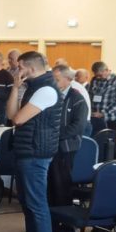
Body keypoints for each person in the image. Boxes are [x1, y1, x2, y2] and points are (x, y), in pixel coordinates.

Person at [4, 51, 62, 232]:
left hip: (36, 152)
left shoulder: (46, 89)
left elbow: (18, 119)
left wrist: (18, 92)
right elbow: (10, 115)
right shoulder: (33, 87)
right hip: (26, 150)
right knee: (27, 202)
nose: (16, 71)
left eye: (19, 67)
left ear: (30, 68)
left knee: (37, 204)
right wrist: (15, 88)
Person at [48, 65, 89, 209]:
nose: (53, 82)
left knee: (61, 185)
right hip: (50, 145)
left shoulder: (77, 98)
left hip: (66, 148)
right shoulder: (51, 95)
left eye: (57, 79)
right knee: (50, 185)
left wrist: (55, 135)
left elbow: (78, 126)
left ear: (68, 79)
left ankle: (63, 216)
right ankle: (52, 216)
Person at [88, 61, 116, 137]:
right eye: (96, 75)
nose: (98, 78)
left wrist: (102, 113)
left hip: (110, 119)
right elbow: (90, 96)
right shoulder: (94, 79)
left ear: (106, 70)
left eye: (100, 75)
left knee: (108, 142)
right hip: (94, 118)